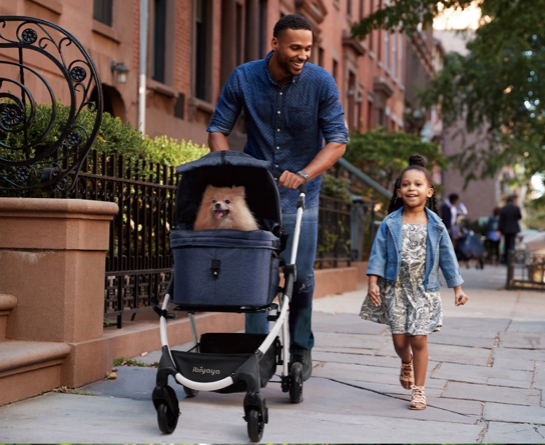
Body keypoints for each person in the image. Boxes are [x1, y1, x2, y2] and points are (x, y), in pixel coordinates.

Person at [206, 14, 348, 381]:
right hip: (257, 196)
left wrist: (303, 174)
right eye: (295, 47)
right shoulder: (244, 77)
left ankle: (301, 349)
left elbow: (337, 140)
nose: (303, 55)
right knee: (255, 276)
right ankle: (257, 352)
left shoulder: (320, 82)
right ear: (275, 44)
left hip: (303, 197)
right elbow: (218, 130)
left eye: (308, 48)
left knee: (300, 279)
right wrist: (230, 168)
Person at [360, 155, 469, 410]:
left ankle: (419, 390)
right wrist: (372, 282)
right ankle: (405, 362)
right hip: (395, 289)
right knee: (400, 341)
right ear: (399, 192)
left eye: (418, 184)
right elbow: (378, 253)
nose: (412, 188)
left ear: (429, 191)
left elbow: (448, 258)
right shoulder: (390, 222)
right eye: (406, 184)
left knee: (419, 339)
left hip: (424, 290)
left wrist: (458, 288)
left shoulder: (436, 225)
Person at [498, 195, 522, 264]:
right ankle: (510, 259)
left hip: (505, 229)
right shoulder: (516, 208)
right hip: (513, 229)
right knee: (511, 244)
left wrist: (499, 229)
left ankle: (506, 259)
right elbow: (519, 217)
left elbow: (501, 220)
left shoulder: (504, 208)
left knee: (507, 244)